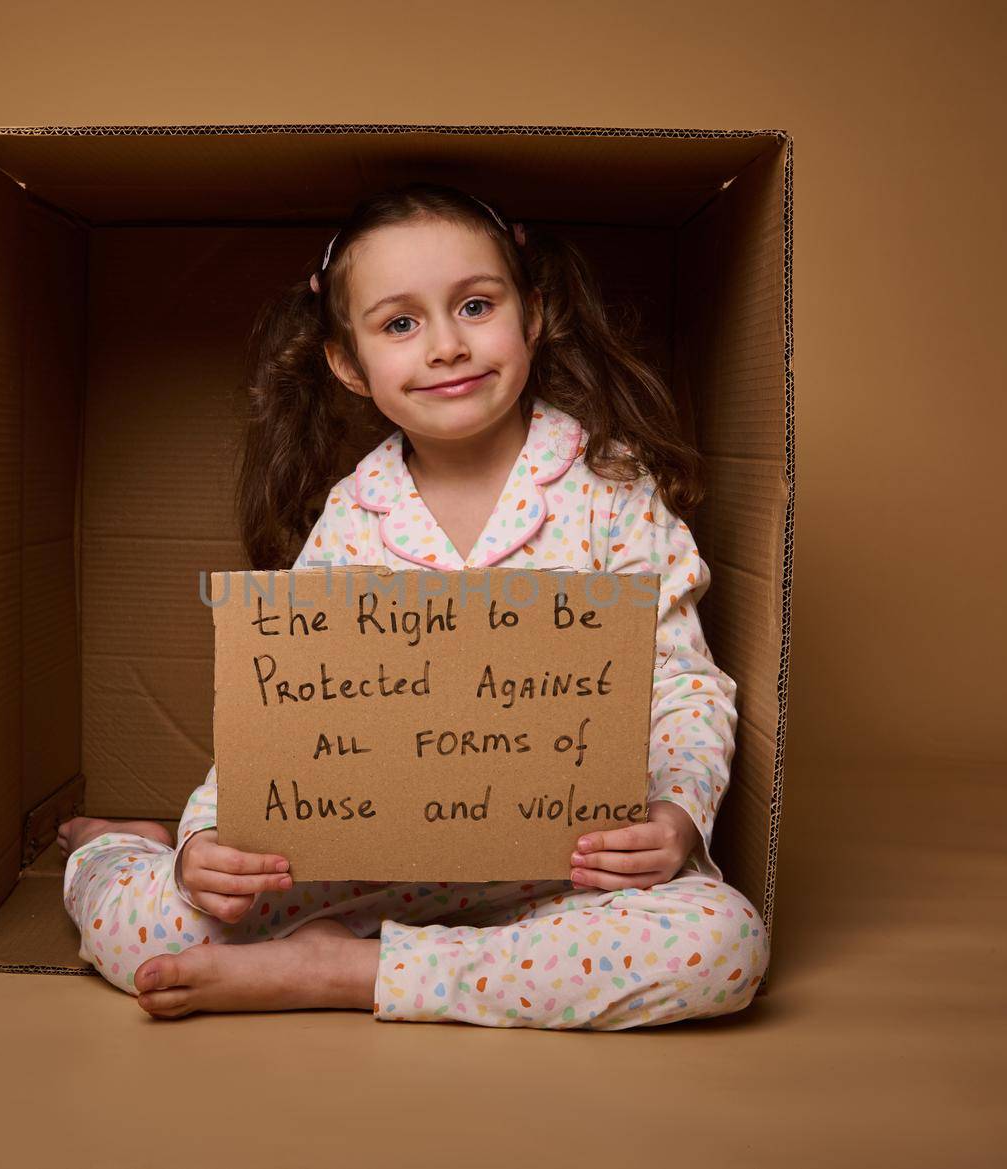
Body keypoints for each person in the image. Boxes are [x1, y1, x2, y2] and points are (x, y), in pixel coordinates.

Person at [58, 181, 769, 1030]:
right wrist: (206, 840)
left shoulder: (611, 492)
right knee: (148, 929)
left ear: (533, 315)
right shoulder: (355, 517)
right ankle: (123, 844)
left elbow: (685, 683)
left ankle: (348, 973)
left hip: (564, 879)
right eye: (401, 323)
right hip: (370, 871)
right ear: (349, 363)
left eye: (475, 305)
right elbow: (281, 712)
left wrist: (677, 813)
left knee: (722, 945)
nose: (445, 346)